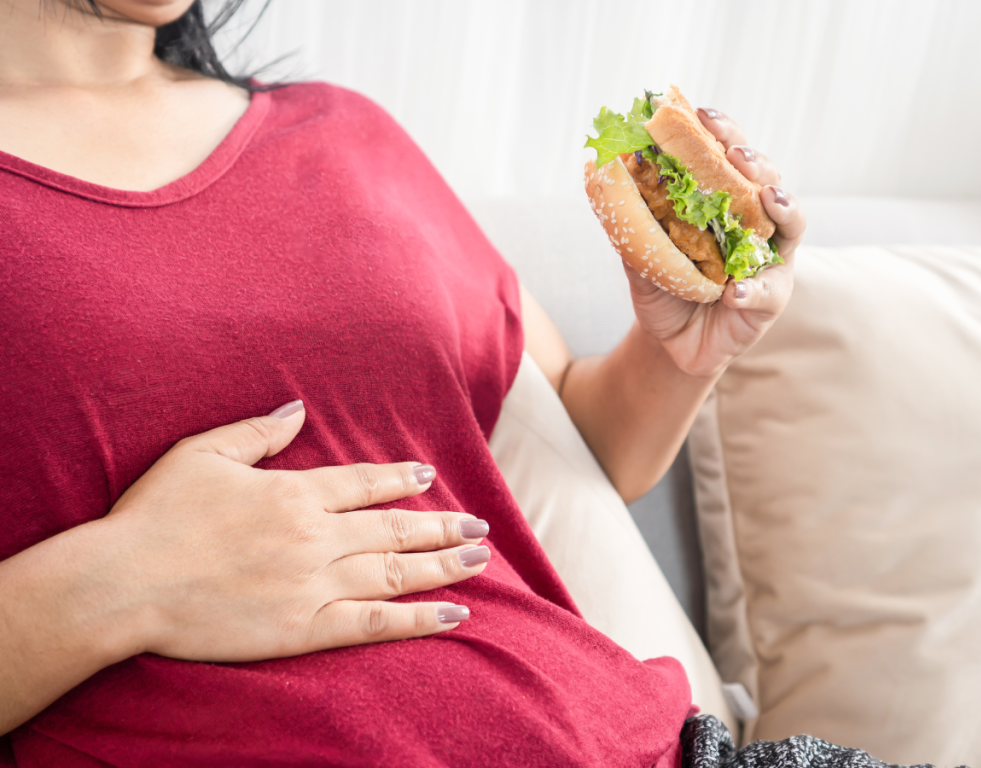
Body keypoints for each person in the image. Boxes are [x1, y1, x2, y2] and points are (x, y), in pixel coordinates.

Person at [0, 2, 933, 767]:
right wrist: (126, 580)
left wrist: (680, 354)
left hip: (642, 743)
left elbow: (578, 449)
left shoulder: (344, 133)